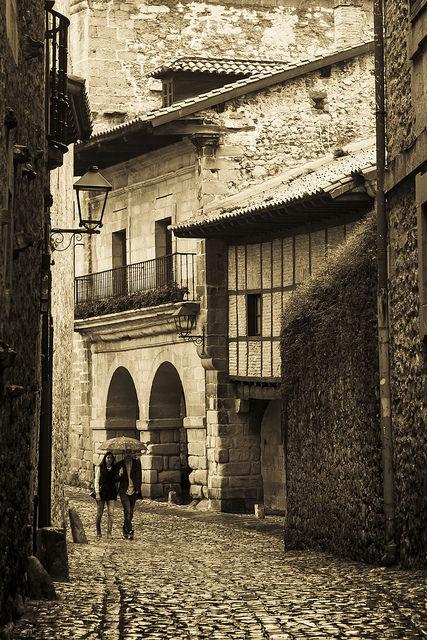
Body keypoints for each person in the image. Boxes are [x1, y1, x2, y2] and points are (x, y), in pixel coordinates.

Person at [115, 450, 142, 540]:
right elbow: (115, 478)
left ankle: (125, 528)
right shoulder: (120, 464)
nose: (128, 454)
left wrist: (138, 488)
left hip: (133, 490)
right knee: (127, 510)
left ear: (132, 453)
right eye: (127, 452)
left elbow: (139, 476)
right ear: (124, 453)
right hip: (124, 491)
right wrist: (120, 474)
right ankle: (130, 530)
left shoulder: (137, 463)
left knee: (131, 512)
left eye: (130, 452)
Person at [94, 451, 118, 539]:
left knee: (111, 513)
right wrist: (97, 493)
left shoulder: (114, 469)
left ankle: (109, 533)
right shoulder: (101, 468)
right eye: (108, 458)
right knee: (99, 513)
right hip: (102, 492)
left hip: (111, 493)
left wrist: (119, 475)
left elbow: (116, 481)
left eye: (111, 458)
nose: (109, 460)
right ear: (105, 458)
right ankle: (98, 531)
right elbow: (96, 480)